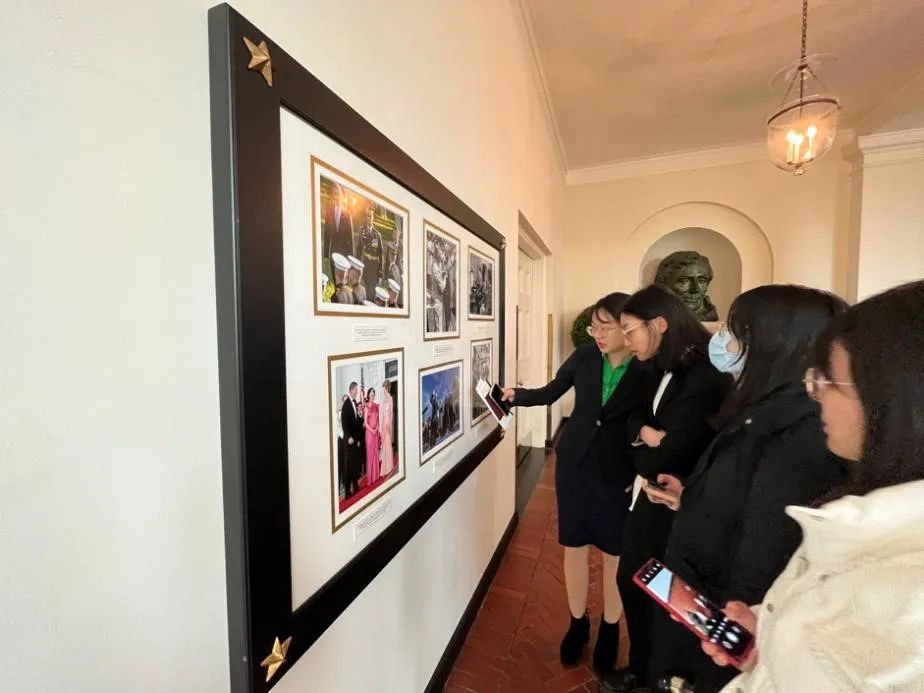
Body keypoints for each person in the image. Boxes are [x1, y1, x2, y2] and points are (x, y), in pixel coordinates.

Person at [700, 280, 924, 692]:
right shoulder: (860, 517)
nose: (815, 393)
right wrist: (766, 635)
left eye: (828, 380)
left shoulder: (909, 599)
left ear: (891, 398)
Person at [639, 285, 850, 692]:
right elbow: (746, 497)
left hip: (723, 633)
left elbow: (765, 553)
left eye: (735, 333)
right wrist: (692, 498)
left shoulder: (802, 433)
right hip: (701, 611)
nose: (722, 341)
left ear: (774, 344)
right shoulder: (763, 410)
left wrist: (732, 638)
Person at [501, 292, 658, 673]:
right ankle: (577, 622)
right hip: (574, 466)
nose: (598, 335)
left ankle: (610, 627)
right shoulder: (585, 357)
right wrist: (514, 396)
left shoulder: (647, 368)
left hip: (618, 474)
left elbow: (651, 425)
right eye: (594, 328)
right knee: (574, 545)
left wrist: (640, 472)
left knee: (614, 553)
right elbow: (551, 391)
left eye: (607, 328)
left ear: (627, 328)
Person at [602, 285, 730, 692]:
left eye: (629, 330)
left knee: (662, 592)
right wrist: (647, 434)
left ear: (658, 324)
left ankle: (656, 675)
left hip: (676, 499)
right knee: (632, 580)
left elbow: (668, 456)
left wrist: (648, 449)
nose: (626, 340)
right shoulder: (655, 364)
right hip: (651, 494)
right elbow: (628, 415)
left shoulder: (705, 376)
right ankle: (642, 667)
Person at [340, 382, 364, 499]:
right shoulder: (346, 404)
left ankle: (355, 486)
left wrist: (360, 417)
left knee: (354, 465)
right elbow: (344, 422)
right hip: (349, 441)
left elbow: (355, 423)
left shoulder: (354, 402)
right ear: (351, 390)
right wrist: (349, 436)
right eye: (356, 390)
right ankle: (347, 493)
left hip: (354, 441)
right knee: (348, 467)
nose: (357, 392)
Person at [324, 183, 354, 276]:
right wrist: (326, 255)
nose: (336, 196)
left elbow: (350, 239)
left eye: (338, 194)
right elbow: (326, 235)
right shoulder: (329, 213)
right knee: (334, 277)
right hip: (333, 252)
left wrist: (351, 259)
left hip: (343, 253)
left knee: (341, 278)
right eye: (334, 194)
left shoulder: (347, 215)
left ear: (341, 196)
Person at [357, 203, 385, 299]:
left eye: (370, 216)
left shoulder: (377, 235)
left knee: (372, 293)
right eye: (367, 216)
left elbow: (381, 255)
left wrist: (380, 273)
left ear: (373, 218)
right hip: (364, 266)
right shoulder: (362, 231)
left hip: (374, 268)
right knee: (364, 292)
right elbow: (359, 249)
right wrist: (357, 267)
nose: (368, 218)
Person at [364, 388, 380, 487]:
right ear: (368, 395)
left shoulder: (376, 406)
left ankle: (375, 476)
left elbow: (378, 420)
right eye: (372, 394)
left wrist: (376, 428)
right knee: (370, 456)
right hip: (369, 434)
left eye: (374, 395)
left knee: (375, 454)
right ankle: (370, 479)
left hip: (375, 434)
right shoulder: (366, 407)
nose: (373, 396)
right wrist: (372, 430)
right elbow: (365, 423)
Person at [379, 381, 395, 478]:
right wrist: (381, 427)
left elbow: (391, 413)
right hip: (383, 424)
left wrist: (389, 426)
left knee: (387, 445)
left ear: (387, 388)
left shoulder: (390, 398)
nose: (383, 390)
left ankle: (388, 467)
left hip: (388, 424)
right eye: (383, 389)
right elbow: (382, 414)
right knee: (384, 446)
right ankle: (384, 468)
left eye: (384, 388)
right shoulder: (384, 399)